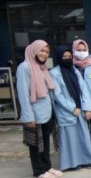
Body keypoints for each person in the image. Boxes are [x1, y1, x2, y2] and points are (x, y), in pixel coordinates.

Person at [49, 46, 91, 170]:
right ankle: (70, 164)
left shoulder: (74, 71)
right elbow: (57, 95)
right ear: (59, 57)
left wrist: (87, 108)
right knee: (69, 139)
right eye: (65, 57)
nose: (68, 59)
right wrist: (72, 108)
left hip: (79, 109)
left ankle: (89, 160)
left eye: (69, 56)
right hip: (66, 111)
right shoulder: (54, 73)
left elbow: (83, 89)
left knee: (83, 136)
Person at [16, 40, 62, 178]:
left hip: (46, 112)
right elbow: (23, 94)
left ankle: (47, 167)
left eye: (47, 52)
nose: (44, 54)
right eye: (42, 50)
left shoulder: (42, 67)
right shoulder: (24, 67)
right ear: (34, 50)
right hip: (34, 114)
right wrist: (28, 116)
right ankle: (39, 171)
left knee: (45, 143)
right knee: (35, 145)